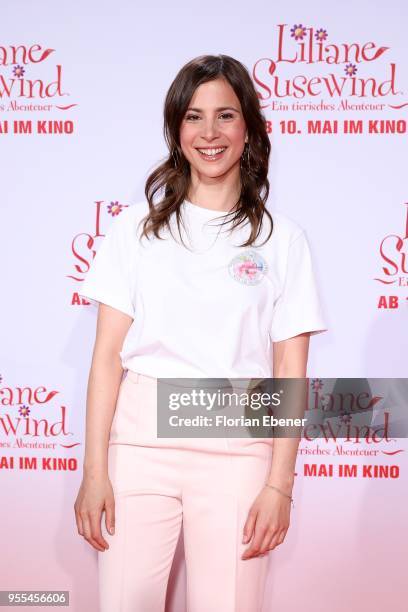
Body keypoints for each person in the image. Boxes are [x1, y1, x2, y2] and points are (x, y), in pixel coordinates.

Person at [74, 54, 328, 612]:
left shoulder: (283, 240)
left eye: (225, 116)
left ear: (250, 129)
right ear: (176, 129)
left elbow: (290, 372)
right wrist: (94, 472)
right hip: (138, 452)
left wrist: (279, 485)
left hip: (239, 456)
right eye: (193, 117)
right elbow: (105, 361)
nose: (209, 133)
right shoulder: (133, 231)